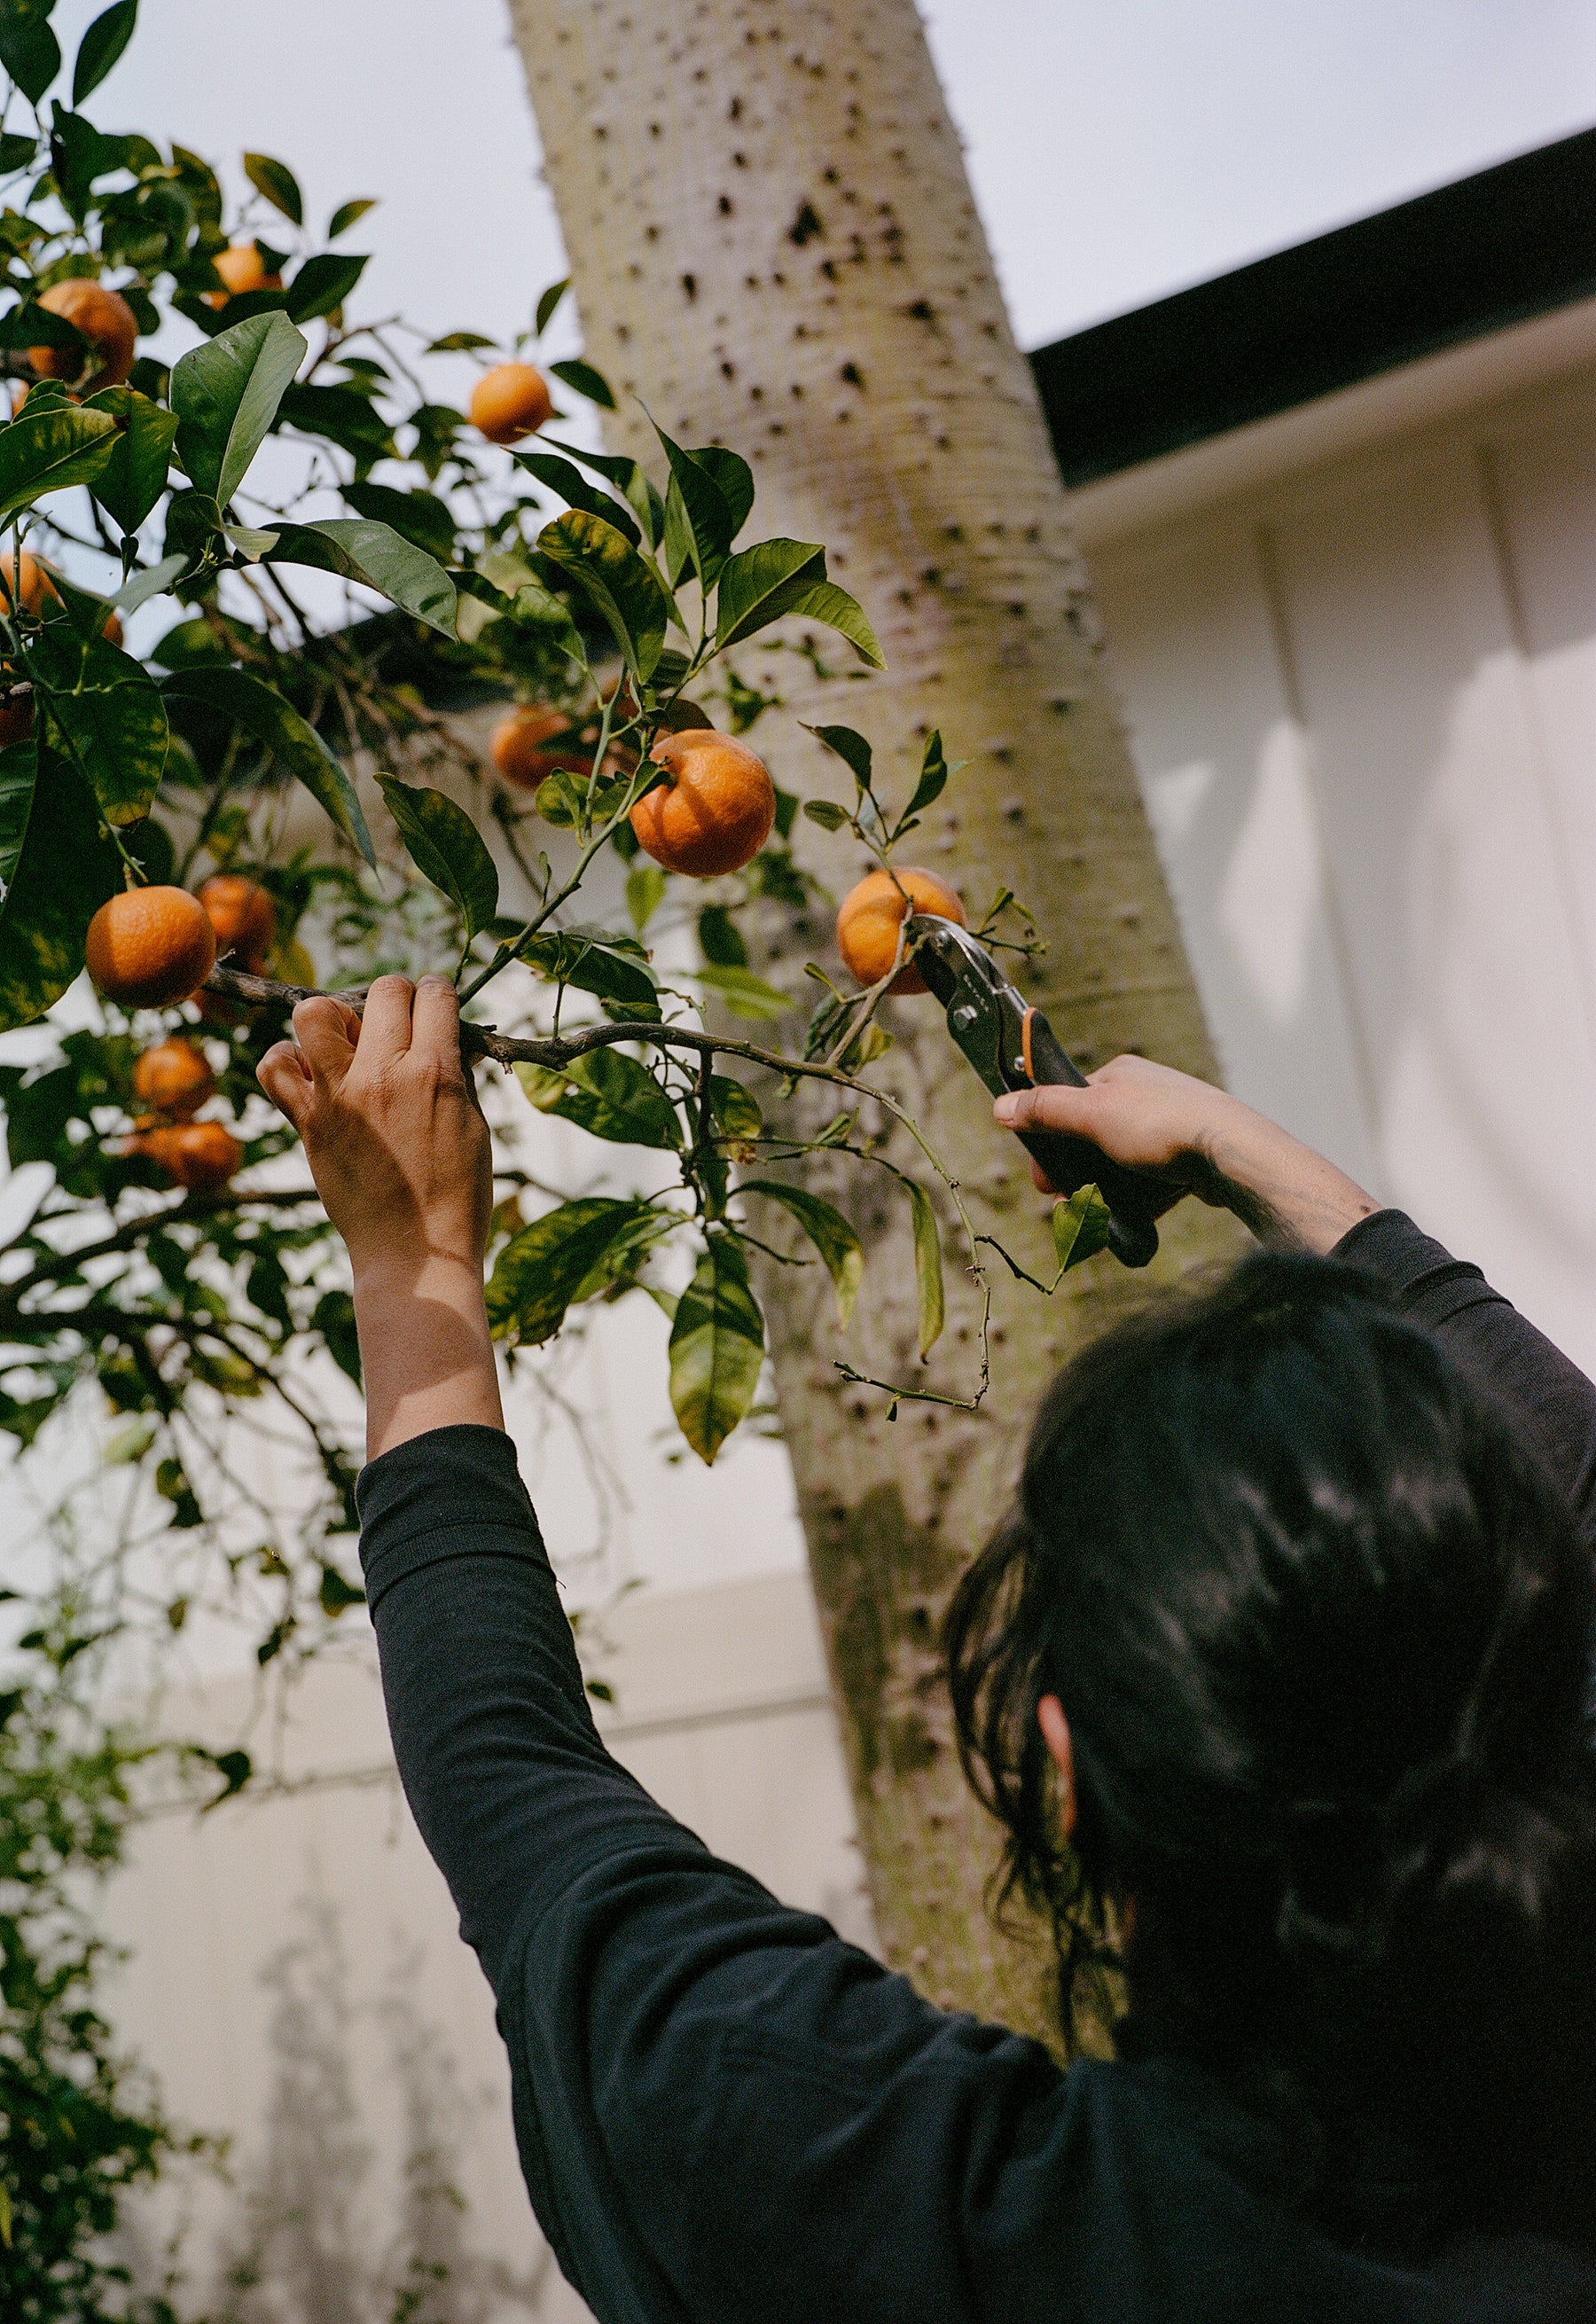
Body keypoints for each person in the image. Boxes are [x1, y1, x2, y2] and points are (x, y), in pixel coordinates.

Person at [259, 976, 1596, 2320]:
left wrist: (416, 1264)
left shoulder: (957, 2226)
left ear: (1066, 1769)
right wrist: (1274, 1171)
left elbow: (512, 1784)